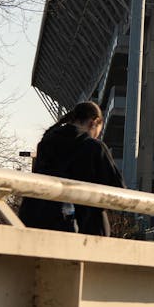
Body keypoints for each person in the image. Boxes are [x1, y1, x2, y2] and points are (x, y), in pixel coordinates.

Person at [18, 101, 122, 236]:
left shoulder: (45, 144)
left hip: (38, 224)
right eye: (97, 132)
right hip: (85, 230)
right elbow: (117, 191)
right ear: (94, 122)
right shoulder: (94, 147)